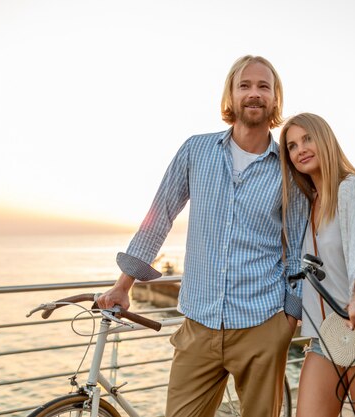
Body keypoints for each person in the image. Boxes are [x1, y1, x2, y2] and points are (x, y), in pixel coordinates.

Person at [97, 55, 307, 417]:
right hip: (198, 325)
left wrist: (289, 319)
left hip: (262, 325)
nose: (254, 94)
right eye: (245, 85)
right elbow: (158, 216)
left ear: (275, 99)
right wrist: (123, 285)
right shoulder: (196, 150)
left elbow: (300, 249)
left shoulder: (289, 170)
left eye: (263, 87)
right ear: (231, 94)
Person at [279, 113, 355, 417]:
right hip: (326, 336)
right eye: (292, 146)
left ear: (325, 140)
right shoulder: (307, 202)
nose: (300, 150)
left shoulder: (351, 189)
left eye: (308, 139)